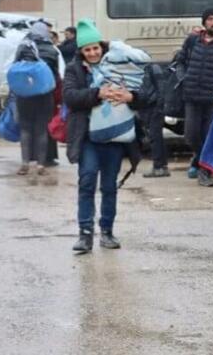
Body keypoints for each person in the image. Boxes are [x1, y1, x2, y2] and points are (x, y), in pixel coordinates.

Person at [64, 19, 150, 253]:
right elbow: (70, 97)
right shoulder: (74, 69)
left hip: (116, 137)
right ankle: (85, 234)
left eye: (95, 48)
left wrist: (131, 97)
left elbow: (146, 95)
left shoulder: (120, 64)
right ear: (81, 51)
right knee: (87, 181)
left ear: (101, 46)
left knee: (109, 186)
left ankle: (107, 231)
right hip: (88, 137)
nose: (93, 53)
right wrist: (97, 94)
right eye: (87, 50)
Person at [179, 7, 213, 186]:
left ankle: (205, 172)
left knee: (210, 136)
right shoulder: (192, 41)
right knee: (191, 136)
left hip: (212, 99)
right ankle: (200, 160)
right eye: (210, 19)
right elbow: (180, 61)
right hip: (192, 96)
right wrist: (183, 78)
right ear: (204, 22)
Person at [13, 22, 61, 179]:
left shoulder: (23, 47)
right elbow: (56, 76)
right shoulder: (52, 50)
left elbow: (14, 68)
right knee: (41, 130)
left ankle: (25, 163)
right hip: (45, 96)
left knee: (25, 129)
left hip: (24, 95)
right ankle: (41, 165)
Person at [140, 62, 170, 178]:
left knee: (155, 137)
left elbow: (161, 88)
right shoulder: (144, 68)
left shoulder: (152, 68)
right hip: (147, 107)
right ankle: (162, 166)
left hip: (154, 107)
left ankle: (158, 167)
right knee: (156, 137)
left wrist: (160, 105)